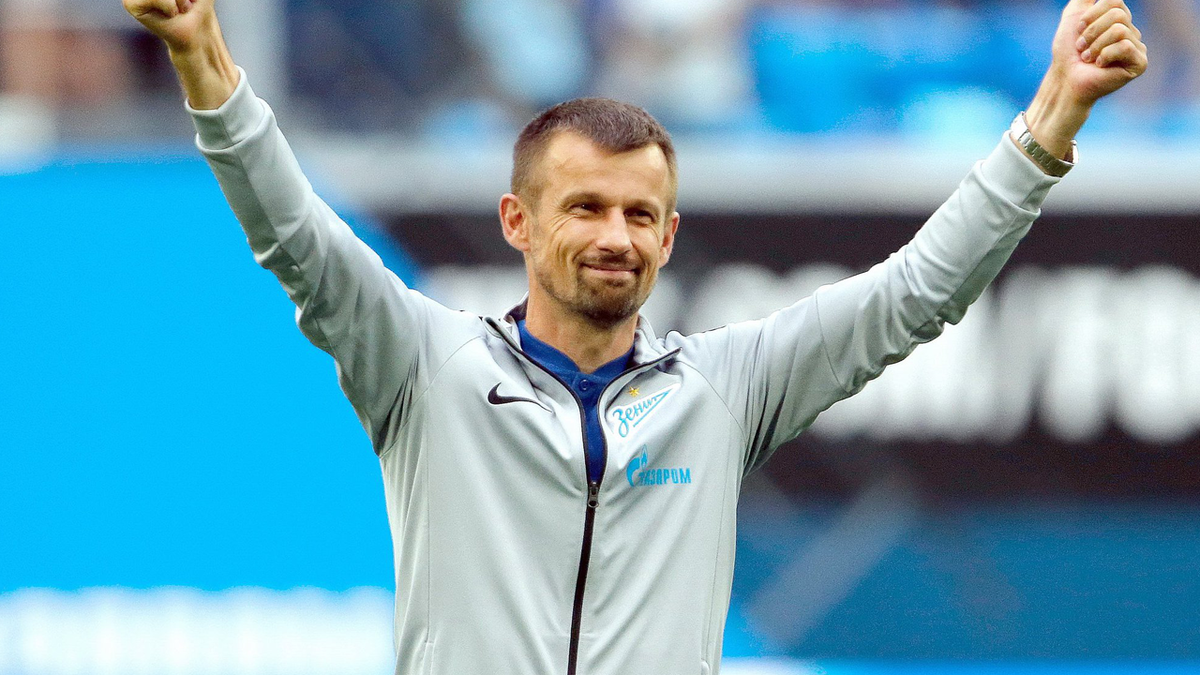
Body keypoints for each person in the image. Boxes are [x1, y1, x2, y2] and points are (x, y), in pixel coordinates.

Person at [122, 1, 1147, 673]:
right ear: (518, 222)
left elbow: (917, 291)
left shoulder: (725, 387)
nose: (616, 236)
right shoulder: (425, 365)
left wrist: (1053, 116)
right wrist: (202, 54)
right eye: (586, 207)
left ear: (669, 237)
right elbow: (295, 237)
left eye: (639, 214)